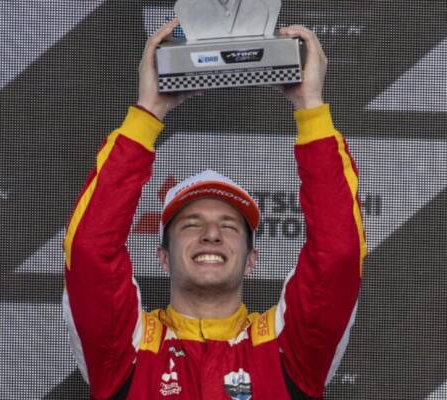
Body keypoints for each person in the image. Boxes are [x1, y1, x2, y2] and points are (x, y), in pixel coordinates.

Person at [62, 18, 365, 399]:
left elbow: (338, 254)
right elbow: (90, 251)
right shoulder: (126, 353)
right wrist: (146, 114)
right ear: (163, 257)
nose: (211, 234)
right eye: (191, 224)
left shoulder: (289, 351)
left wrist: (311, 110)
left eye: (230, 225)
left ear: (252, 259)